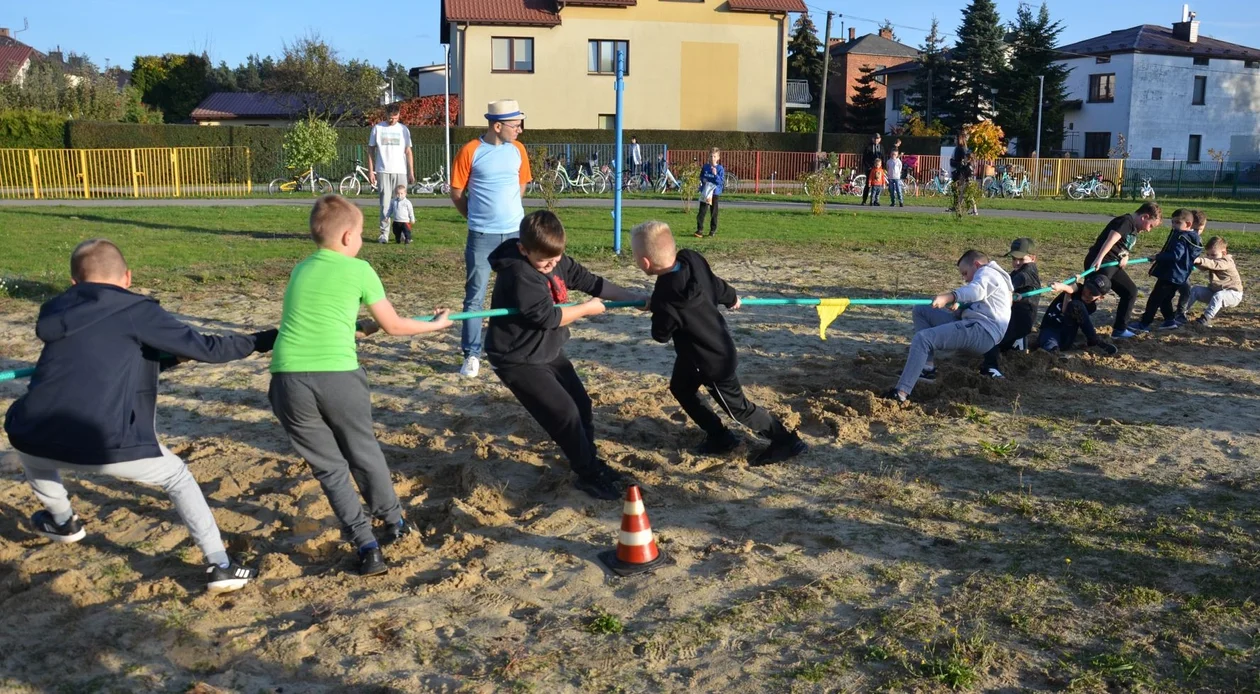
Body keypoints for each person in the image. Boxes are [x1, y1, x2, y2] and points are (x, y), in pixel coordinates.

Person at [4, 239, 277, 593]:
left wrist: (168, 360)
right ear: (128, 277)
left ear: (74, 284)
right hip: (105, 443)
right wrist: (264, 339)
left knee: (35, 451)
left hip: (32, 433)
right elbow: (209, 349)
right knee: (177, 477)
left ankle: (62, 522)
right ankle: (220, 564)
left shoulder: (56, 311)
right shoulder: (135, 310)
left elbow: (111, 362)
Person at [268, 195, 454, 577]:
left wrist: (357, 328)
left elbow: (318, 318)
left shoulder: (300, 269)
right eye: (363, 235)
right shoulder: (360, 269)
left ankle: (367, 546)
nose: (364, 242)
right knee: (363, 451)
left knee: (330, 470)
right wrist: (436, 325)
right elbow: (396, 325)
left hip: (287, 380)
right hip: (337, 376)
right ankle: (394, 523)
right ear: (348, 237)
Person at [485, 210, 648, 500]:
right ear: (523, 250)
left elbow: (591, 282)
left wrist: (635, 299)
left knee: (581, 404)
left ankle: (590, 462)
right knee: (565, 413)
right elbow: (547, 317)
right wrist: (586, 309)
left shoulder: (555, 261)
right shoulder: (519, 273)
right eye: (543, 262)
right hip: (517, 358)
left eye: (555, 260)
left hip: (545, 349)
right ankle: (587, 475)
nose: (549, 267)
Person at [631, 221, 808, 465]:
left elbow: (660, 334)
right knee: (681, 388)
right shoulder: (691, 259)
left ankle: (786, 440)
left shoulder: (665, 298)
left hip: (712, 363)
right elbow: (714, 283)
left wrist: (654, 307)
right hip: (698, 354)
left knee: (738, 409)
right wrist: (731, 296)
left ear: (645, 263)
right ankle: (719, 436)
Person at [450, 99, 532, 379]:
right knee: (475, 296)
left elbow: (521, 185)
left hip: (514, 235)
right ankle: (471, 354)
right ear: (497, 126)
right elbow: (457, 193)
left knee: (517, 293)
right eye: (515, 125)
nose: (520, 130)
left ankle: (513, 347)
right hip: (481, 236)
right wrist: (476, 218)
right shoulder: (470, 151)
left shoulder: (519, 150)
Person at [884, 250, 1012, 403]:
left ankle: (901, 394)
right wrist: (962, 305)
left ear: (977, 265)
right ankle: (927, 368)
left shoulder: (988, 272)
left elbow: (977, 290)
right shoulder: (992, 277)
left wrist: (950, 296)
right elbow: (983, 299)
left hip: (981, 332)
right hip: (972, 325)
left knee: (922, 339)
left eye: (965, 273)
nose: (965, 279)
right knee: (921, 310)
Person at [1083, 202, 1163, 339]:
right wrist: (1099, 258)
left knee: (1130, 291)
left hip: (1113, 264)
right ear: (1144, 217)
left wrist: (1126, 255)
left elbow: (1123, 245)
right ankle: (1065, 319)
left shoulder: (1133, 228)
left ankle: (1119, 330)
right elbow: (1111, 239)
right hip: (1102, 263)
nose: (1149, 230)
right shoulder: (1126, 221)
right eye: (1150, 226)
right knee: (1090, 296)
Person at [980, 238, 1042, 378]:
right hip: (1017, 318)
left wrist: (1007, 290)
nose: (1017, 262)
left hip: (1021, 320)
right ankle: (1017, 342)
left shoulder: (1028, 271)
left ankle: (990, 367)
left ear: (1033, 258)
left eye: (1021, 259)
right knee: (1001, 341)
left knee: (992, 336)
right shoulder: (1019, 270)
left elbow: (1016, 281)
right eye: (1014, 258)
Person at [1132, 208, 1200, 332]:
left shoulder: (1182, 237)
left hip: (1170, 275)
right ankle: (1169, 321)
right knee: (1165, 299)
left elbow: (1176, 255)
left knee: (1154, 299)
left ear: (1188, 224)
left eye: (1177, 223)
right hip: (1179, 275)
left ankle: (1144, 323)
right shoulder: (1191, 237)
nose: (1174, 226)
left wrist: (1157, 257)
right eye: (1173, 222)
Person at [368, 103, 414, 244]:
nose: (392, 120)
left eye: (395, 117)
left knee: (401, 204)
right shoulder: (378, 129)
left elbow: (408, 151)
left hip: (400, 171)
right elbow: (370, 150)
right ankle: (384, 234)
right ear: (385, 115)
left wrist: (411, 171)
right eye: (390, 117)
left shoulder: (404, 130)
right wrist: (371, 171)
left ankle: (402, 233)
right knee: (386, 204)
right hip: (383, 170)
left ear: (399, 115)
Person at [1037, 274, 1118, 355]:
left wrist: (1066, 290)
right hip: (1050, 329)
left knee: (1076, 304)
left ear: (1100, 297)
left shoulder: (1091, 307)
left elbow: (1065, 310)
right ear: (1085, 283)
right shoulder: (1078, 288)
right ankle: (1055, 354)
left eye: (1092, 293)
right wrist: (1064, 286)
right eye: (1088, 288)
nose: (1087, 293)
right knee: (1049, 342)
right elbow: (1071, 288)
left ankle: (1094, 340)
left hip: (1067, 333)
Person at [1187, 235, 1244, 326]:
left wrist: (1200, 260)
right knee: (1195, 290)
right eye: (1208, 254)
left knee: (1219, 295)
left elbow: (1215, 264)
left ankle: (1206, 318)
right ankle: (1180, 313)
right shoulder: (1212, 261)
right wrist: (1191, 264)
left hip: (1233, 295)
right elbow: (1204, 265)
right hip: (1215, 292)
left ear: (1224, 253)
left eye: (1213, 255)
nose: (1210, 257)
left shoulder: (1227, 261)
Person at [1173, 209, 1208, 324]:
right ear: (1189, 224)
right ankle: (1179, 314)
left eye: (1200, 229)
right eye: (1195, 229)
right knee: (1186, 290)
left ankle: (1177, 313)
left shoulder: (1195, 238)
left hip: (1183, 270)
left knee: (1183, 291)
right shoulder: (1183, 236)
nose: (1197, 232)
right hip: (1177, 270)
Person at [695, 147, 725, 238]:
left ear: (718, 158)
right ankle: (699, 230)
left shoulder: (720, 168)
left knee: (713, 212)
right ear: (708, 157)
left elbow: (720, 182)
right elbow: (701, 177)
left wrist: (715, 175)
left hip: (714, 193)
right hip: (706, 192)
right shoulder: (705, 167)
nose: (712, 158)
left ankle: (712, 230)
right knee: (702, 211)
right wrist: (702, 181)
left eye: (714, 156)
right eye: (711, 156)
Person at [948, 129, 977, 216]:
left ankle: (959, 209)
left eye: (956, 138)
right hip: (962, 173)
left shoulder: (962, 149)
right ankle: (959, 208)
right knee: (962, 193)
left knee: (963, 193)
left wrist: (957, 164)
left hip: (963, 174)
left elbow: (964, 161)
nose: (954, 140)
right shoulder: (959, 148)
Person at [860, 133, 883, 205]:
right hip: (870, 169)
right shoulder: (868, 147)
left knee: (878, 185)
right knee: (868, 184)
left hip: (878, 169)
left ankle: (876, 201)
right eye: (875, 138)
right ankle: (864, 200)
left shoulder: (881, 147)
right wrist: (868, 167)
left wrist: (883, 168)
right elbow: (864, 159)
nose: (876, 140)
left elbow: (883, 158)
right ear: (873, 139)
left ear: (880, 139)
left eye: (878, 138)